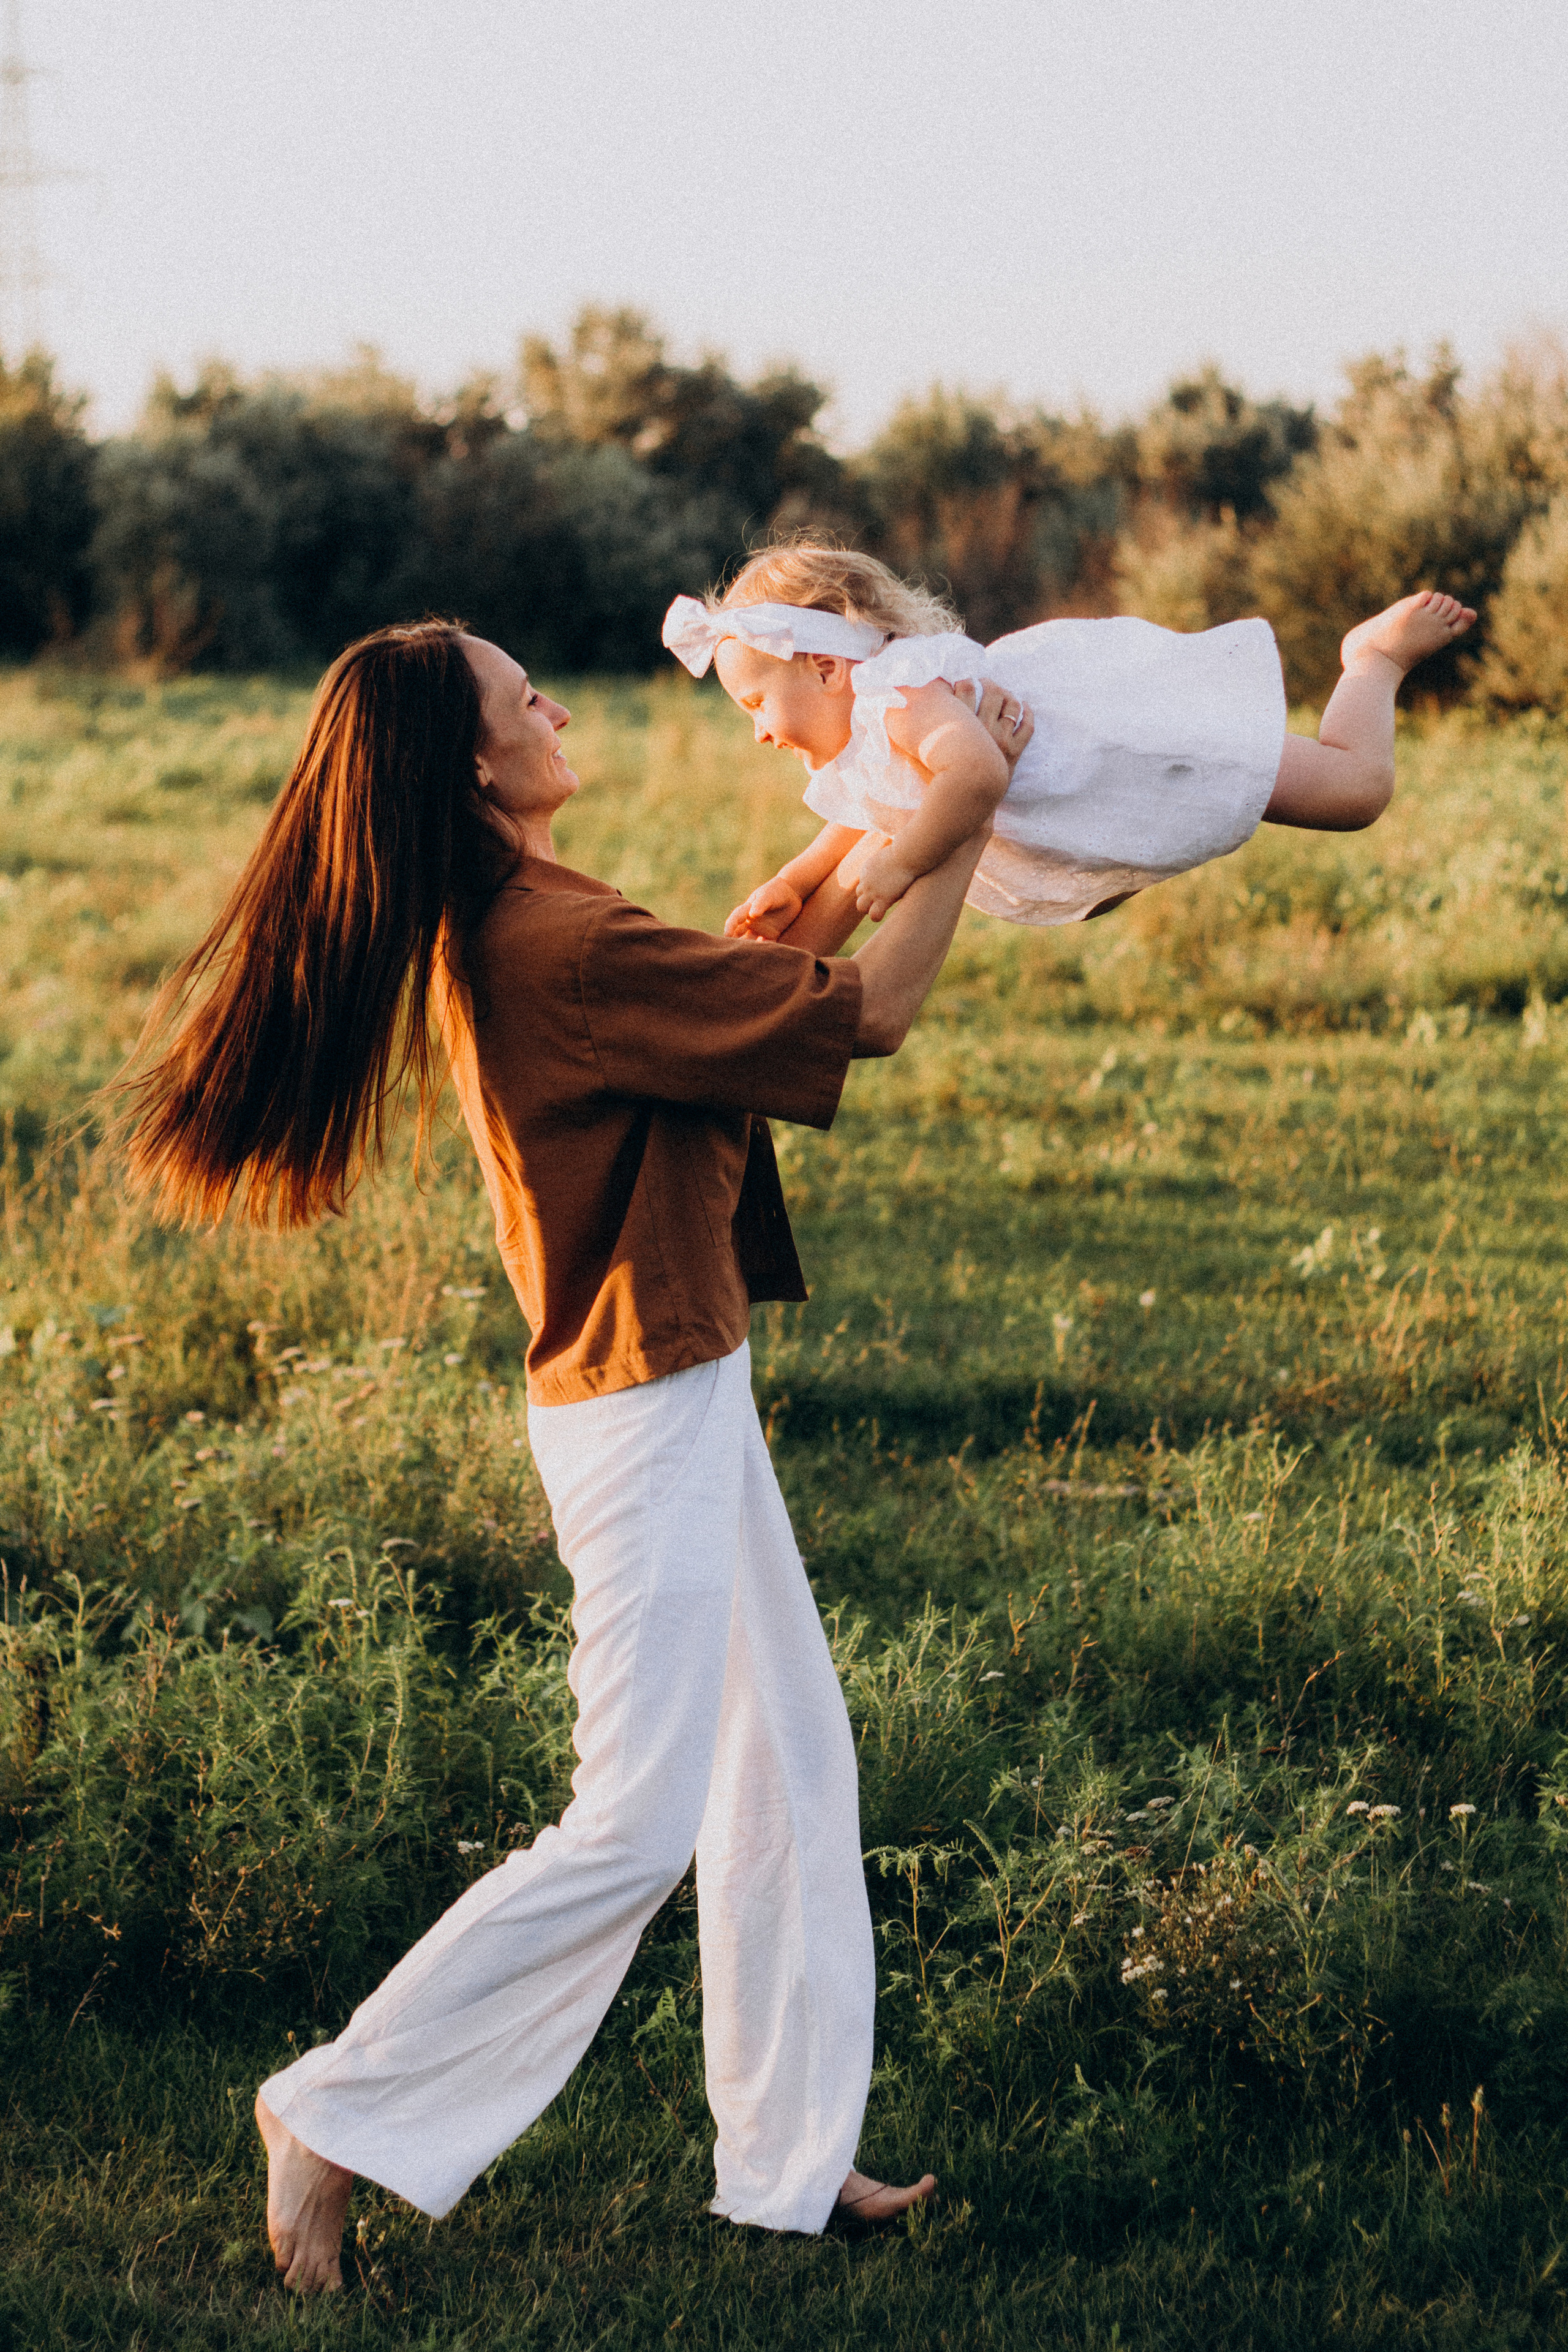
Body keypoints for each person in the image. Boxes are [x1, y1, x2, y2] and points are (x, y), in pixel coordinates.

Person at [114, 619, 1036, 2293]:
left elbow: (772, 962)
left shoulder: (532, 917)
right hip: (641, 1403)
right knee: (631, 1822)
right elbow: (874, 1017)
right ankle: (332, 2113)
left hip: (669, 1372)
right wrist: (968, 809)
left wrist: (866, 836)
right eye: (517, 693)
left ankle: (788, 2163)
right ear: (477, 762)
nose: (550, 704)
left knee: (788, 1764)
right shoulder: (557, 940)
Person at [660, 546, 1476, 937]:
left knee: (1356, 790)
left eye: (758, 703)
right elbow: (871, 813)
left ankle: (1373, 659)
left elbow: (974, 773)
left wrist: (904, 862)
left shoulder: (903, 695)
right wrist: (795, 880)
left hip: (1136, 755)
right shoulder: (875, 733)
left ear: (829, 669)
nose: (761, 731)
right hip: (1108, 799)